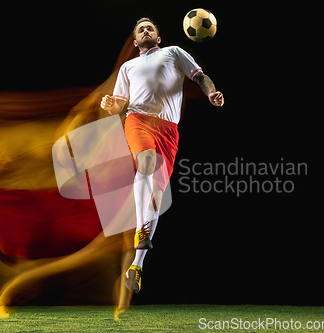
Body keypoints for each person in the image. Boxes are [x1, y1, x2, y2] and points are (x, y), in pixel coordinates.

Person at [100, 17, 224, 294]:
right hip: (138, 120)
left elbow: (200, 77)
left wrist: (212, 92)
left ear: (158, 38)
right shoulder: (128, 66)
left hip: (168, 129)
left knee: (157, 195)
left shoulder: (174, 53)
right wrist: (110, 105)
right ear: (135, 42)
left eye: (150, 28)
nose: (145, 31)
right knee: (145, 162)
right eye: (140, 29)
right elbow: (119, 104)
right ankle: (140, 231)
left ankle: (137, 264)